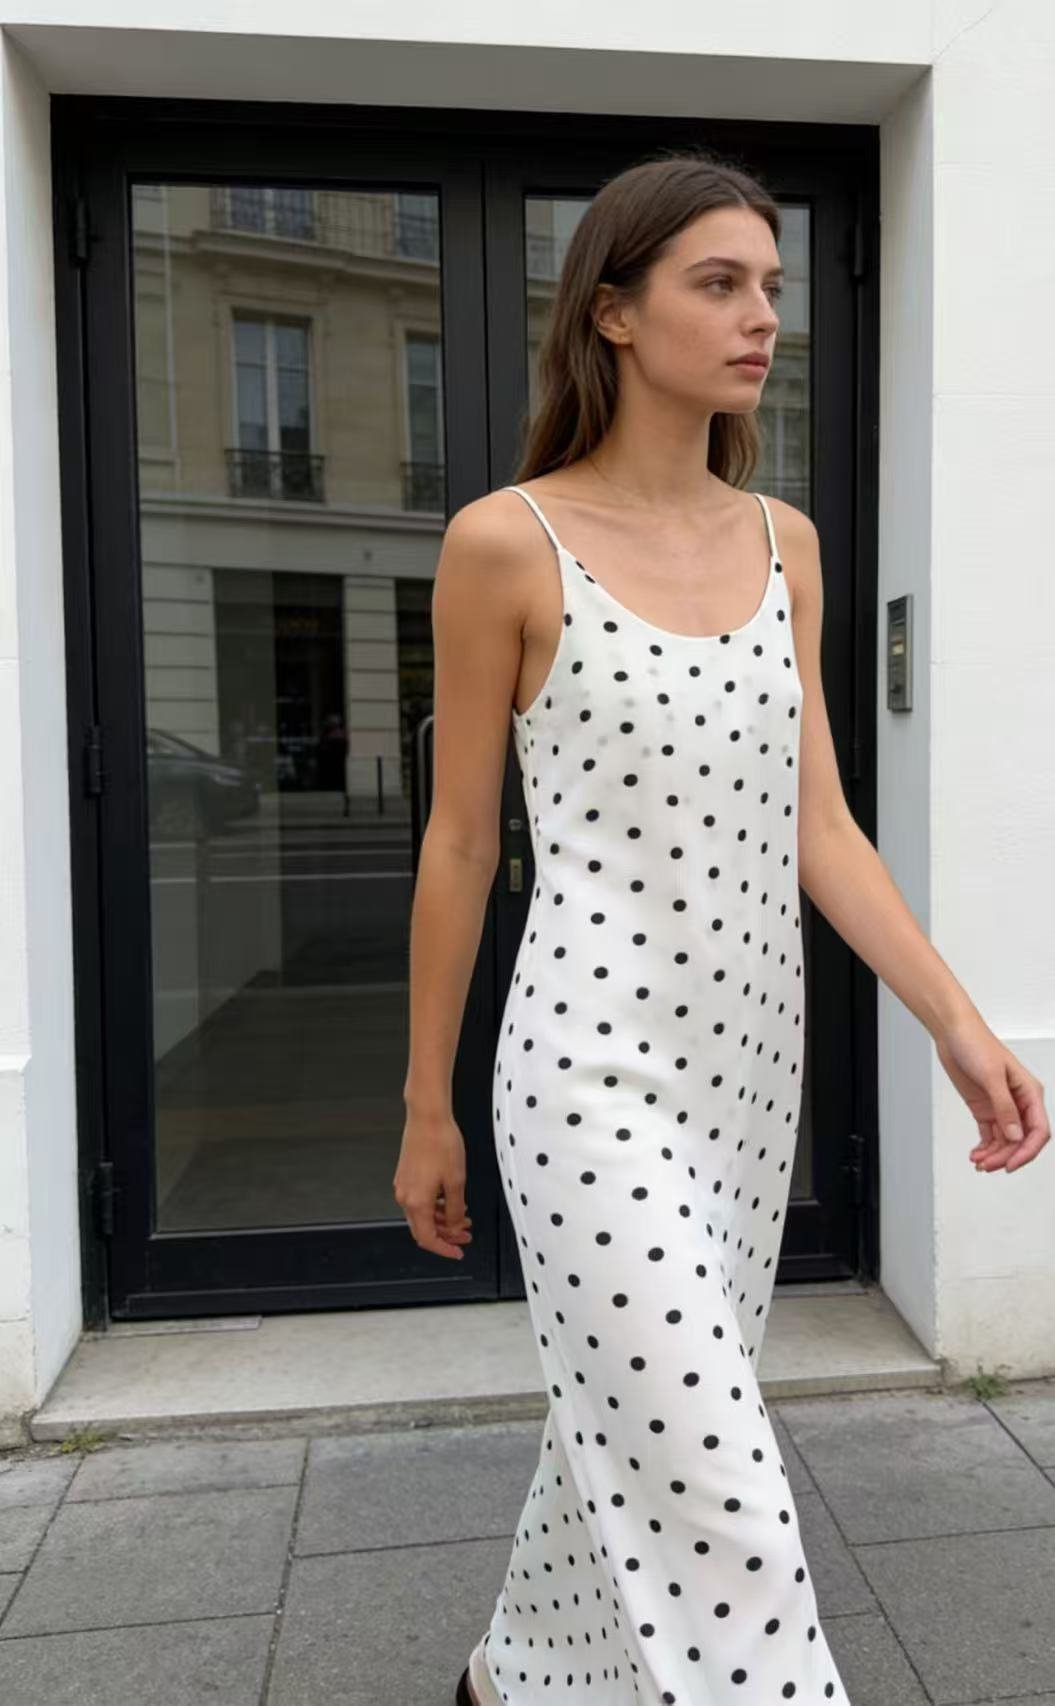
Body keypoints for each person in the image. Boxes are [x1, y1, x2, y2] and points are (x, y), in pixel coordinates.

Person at [393, 150, 1050, 1706]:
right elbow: (461, 838)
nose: (763, 315)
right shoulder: (504, 542)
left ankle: (515, 1673)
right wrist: (427, 1102)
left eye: (771, 284)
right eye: (719, 282)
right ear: (613, 312)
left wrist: (961, 1024)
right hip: (587, 1071)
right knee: (727, 1496)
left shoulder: (785, 544)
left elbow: (821, 825)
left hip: (748, 1070)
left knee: (647, 1425)